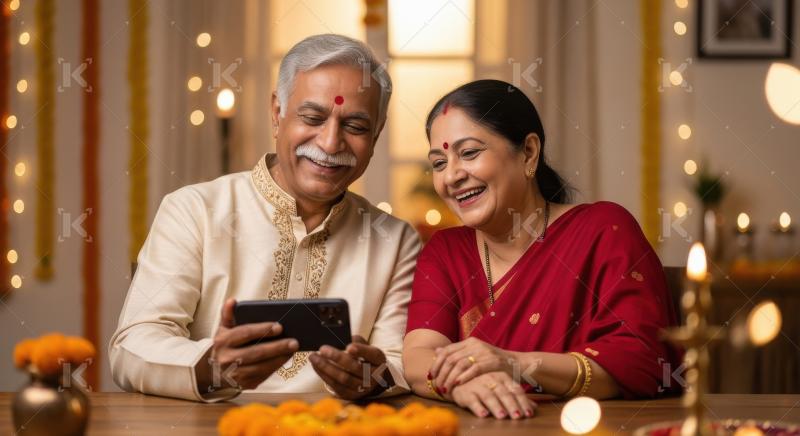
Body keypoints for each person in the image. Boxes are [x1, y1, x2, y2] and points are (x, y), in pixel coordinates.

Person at [110, 34, 420, 402]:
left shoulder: (395, 240)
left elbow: (402, 364)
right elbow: (133, 345)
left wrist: (374, 376)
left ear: (376, 135)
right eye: (313, 117)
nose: (330, 143)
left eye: (355, 126)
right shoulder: (195, 210)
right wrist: (210, 365)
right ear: (277, 113)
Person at [403, 80, 682, 419]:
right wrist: (459, 384)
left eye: (469, 153)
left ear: (529, 152)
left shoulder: (603, 230)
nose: (451, 176)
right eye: (439, 163)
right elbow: (419, 355)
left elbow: (642, 362)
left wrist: (515, 364)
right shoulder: (445, 252)